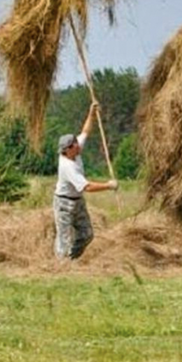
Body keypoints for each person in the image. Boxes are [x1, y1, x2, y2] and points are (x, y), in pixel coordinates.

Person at [54, 103, 119, 259]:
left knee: (87, 234)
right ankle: (60, 267)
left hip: (77, 202)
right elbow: (87, 187)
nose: (77, 145)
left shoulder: (76, 151)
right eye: (73, 145)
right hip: (64, 203)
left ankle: (71, 259)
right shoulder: (67, 166)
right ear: (67, 149)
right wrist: (109, 185)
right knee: (64, 240)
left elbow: (85, 131)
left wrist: (91, 113)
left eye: (76, 143)